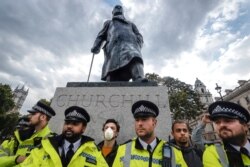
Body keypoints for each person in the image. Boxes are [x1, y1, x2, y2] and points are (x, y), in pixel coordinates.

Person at [17, 106, 108, 167]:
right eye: (67, 122)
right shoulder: (45, 146)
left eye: (75, 123)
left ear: (83, 128)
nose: (69, 126)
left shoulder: (94, 151)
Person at [91, 5, 146, 82]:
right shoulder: (109, 23)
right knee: (112, 71)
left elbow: (138, 35)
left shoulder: (130, 24)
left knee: (135, 56)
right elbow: (101, 36)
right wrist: (96, 46)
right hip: (114, 49)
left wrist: (137, 44)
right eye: (116, 7)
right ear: (112, 12)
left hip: (131, 46)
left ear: (123, 12)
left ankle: (139, 77)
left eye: (120, 8)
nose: (118, 8)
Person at [0, 100, 56, 167]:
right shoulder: (19, 137)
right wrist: (16, 159)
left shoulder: (52, 140)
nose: (29, 116)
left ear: (43, 117)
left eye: (33, 114)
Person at [203, 101, 250, 167]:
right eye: (217, 122)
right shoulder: (212, 153)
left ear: (245, 126)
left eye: (228, 121)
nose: (221, 125)